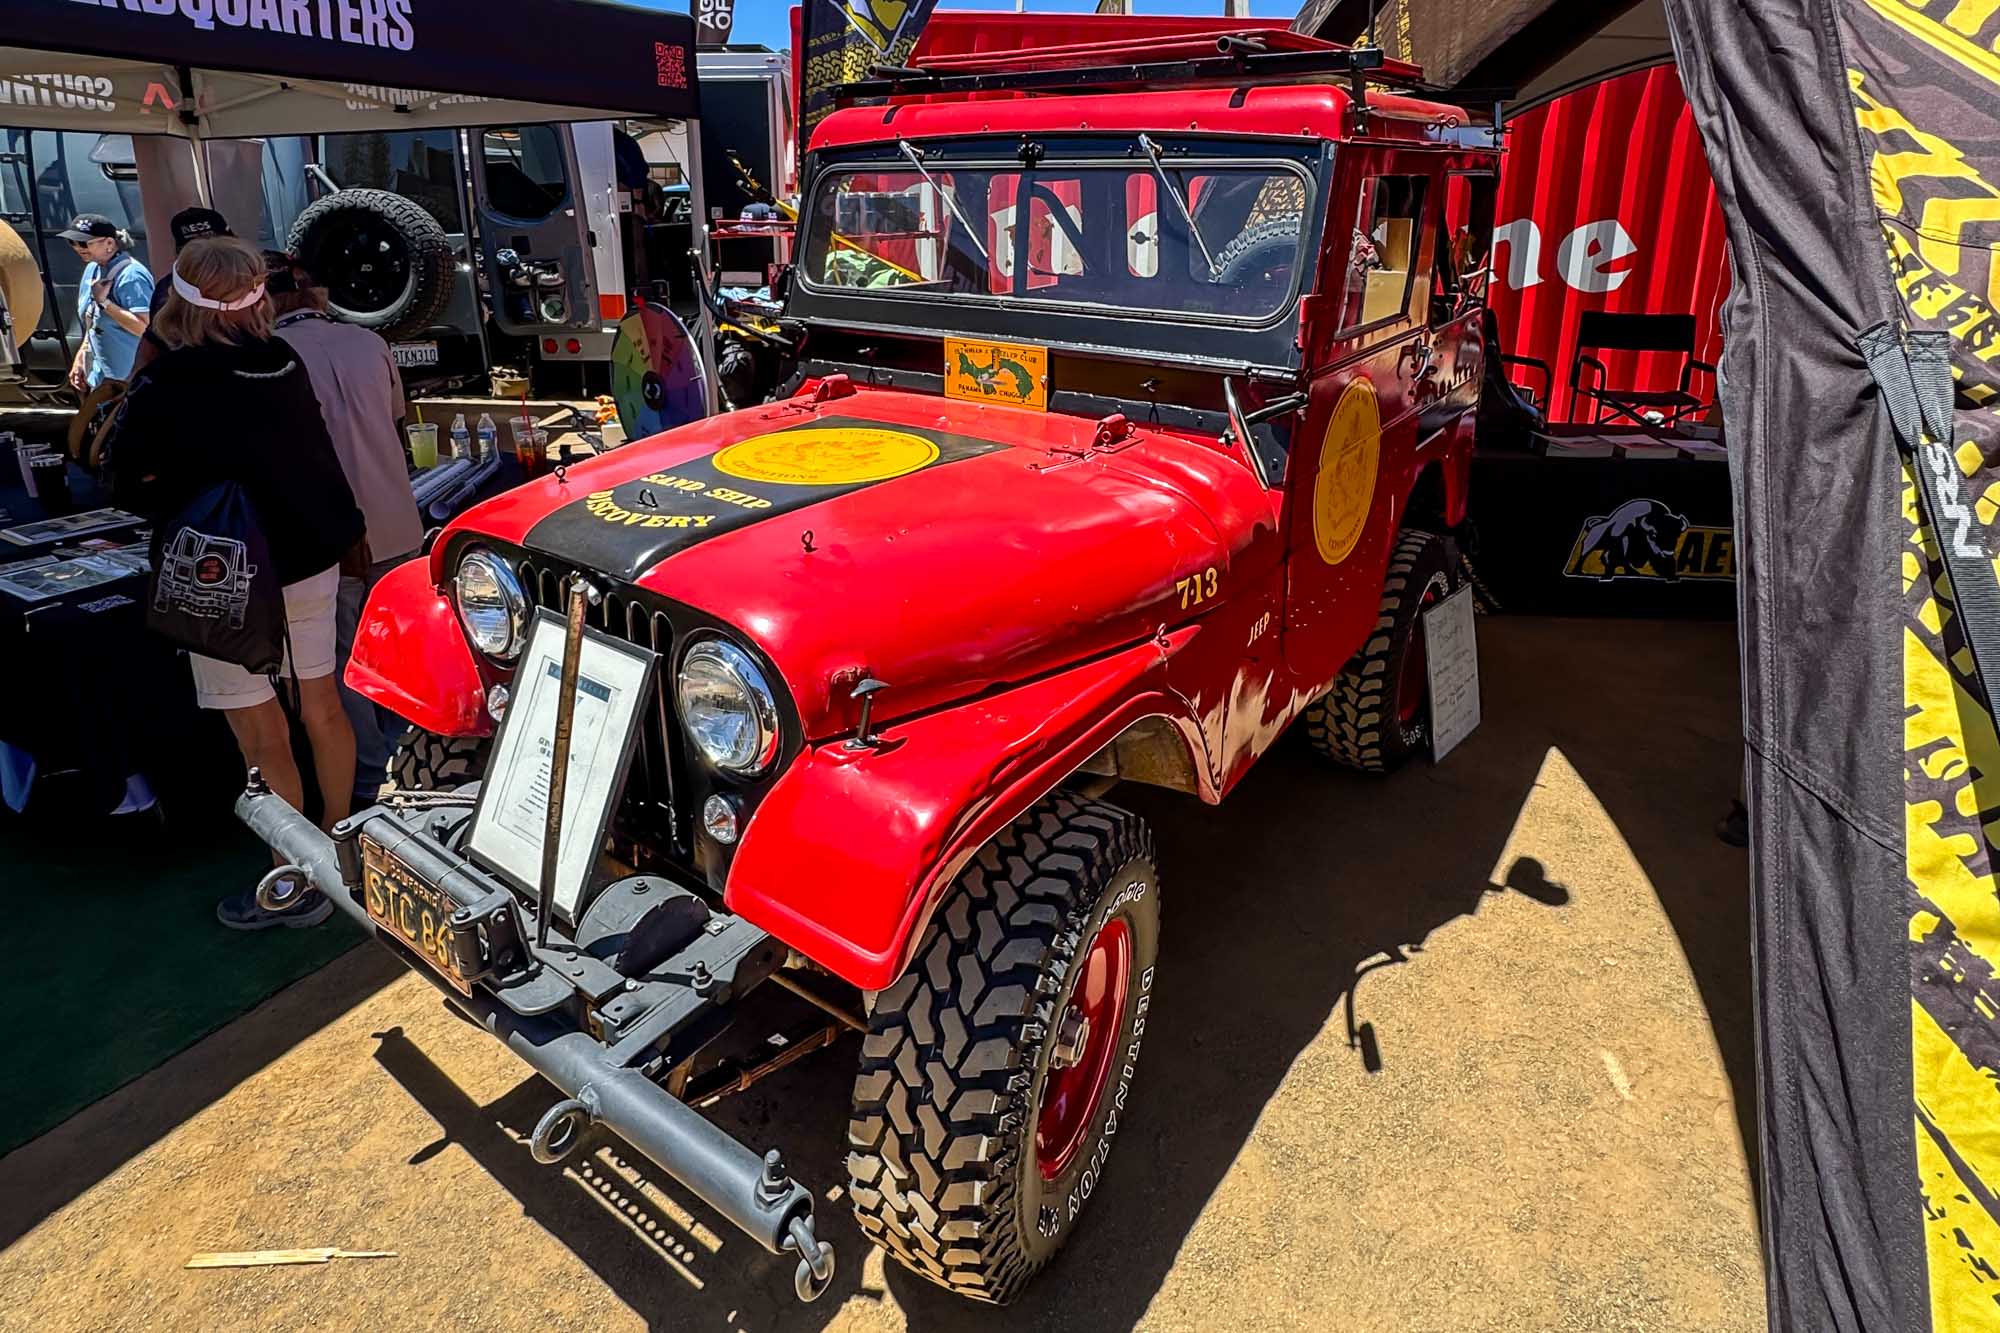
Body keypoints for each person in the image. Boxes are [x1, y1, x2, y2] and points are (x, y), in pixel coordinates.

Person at [107, 236, 365, 930]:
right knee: (321, 707)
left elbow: (122, 475)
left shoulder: (169, 378)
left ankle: (297, 875)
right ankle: (340, 853)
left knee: (259, 730)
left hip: (219, 570)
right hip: (307, 558)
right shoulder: (281, 361)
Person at [266, 250, 424, 804]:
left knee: (343, 662)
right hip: (395, 523)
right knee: (400, 650)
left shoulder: (271, 356)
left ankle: (370, 776)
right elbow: (396, 423)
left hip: (333, 532)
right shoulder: (369, 343)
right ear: (316, 295)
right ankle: (408, 763)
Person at [132, 206, 233, 377]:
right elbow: (153, 342)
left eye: (216, 247)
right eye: (197, 250)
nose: (209, 256)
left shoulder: (257, 279)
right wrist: (132, 384)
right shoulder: (168, 288)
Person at [59, 213, 153, 391]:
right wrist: (81, 355)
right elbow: (93, 319)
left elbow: (145, 328)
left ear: (109, 243)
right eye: (72, 242)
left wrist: (106, 304)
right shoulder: (93, 269)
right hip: (103, 379)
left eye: (84, 242)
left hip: (132, 381)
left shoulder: (132, 276)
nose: (78, 248)